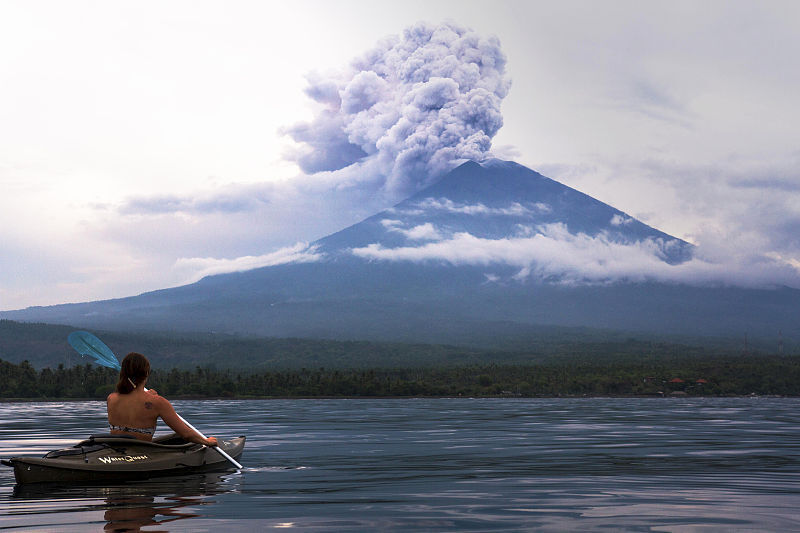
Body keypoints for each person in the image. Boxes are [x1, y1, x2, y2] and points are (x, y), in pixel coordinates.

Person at [107, 352, 217, 447]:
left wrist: (147, 395)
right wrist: (206, 442)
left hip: (116, 451)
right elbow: (186, 434)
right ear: (146, 373)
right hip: (141, 453)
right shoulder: (157, 402)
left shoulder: (111, 398)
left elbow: (132, 402)